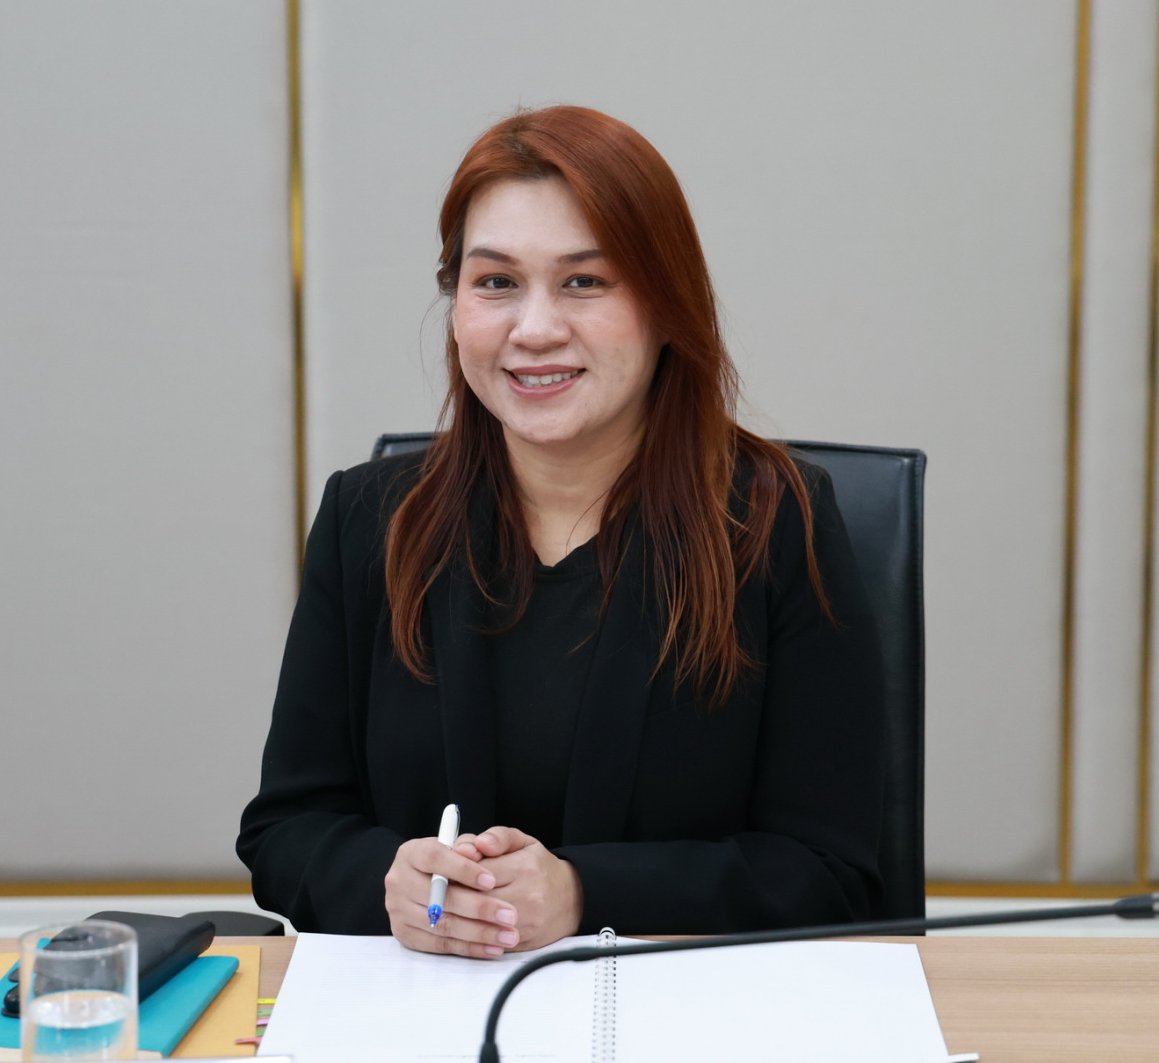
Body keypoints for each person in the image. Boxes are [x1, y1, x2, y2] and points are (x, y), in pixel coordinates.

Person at [236, 106, 885, 959]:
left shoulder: (774, 521)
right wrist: (385, 881)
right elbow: (287, 830)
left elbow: (834, 873)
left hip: (680, 1009)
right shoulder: (370, 520)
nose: (535, 328)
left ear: (666, 304)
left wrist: (584, 894)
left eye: (584, 281)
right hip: (427, 1009)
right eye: (495, 282)